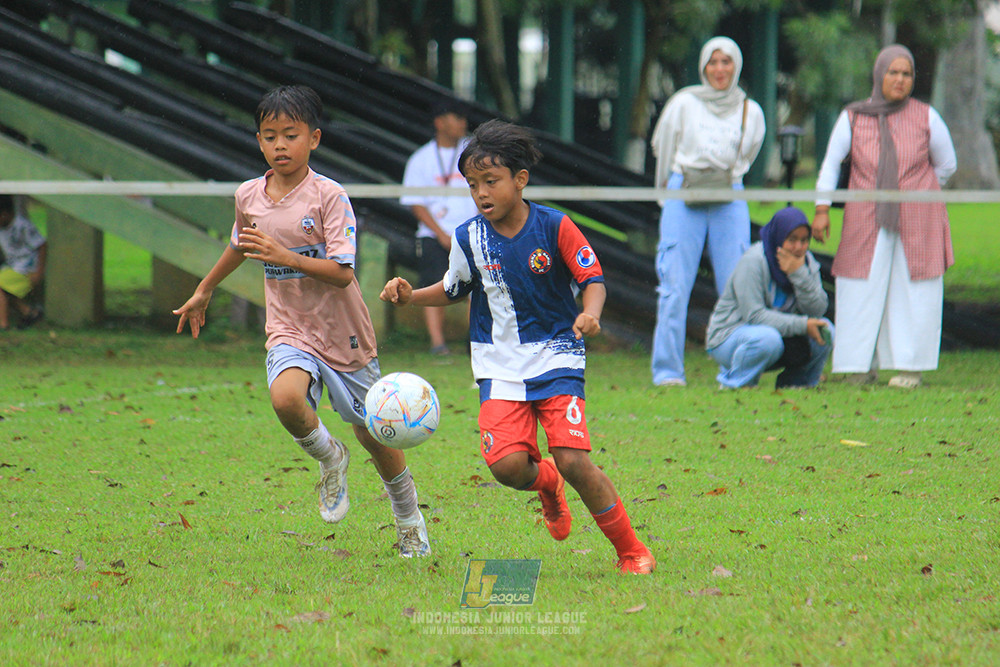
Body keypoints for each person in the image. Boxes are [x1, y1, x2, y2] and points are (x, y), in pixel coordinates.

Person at [380, 120, 655, 575]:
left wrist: (591, 313)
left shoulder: (555, 226)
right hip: (499, 365)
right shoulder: (468, 237)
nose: (481, 193)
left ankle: (631, 550)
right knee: (508, 468)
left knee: (573, 460)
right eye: (473, 185)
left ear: (520, 180)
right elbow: (453, 288)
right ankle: (546, 483)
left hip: (556, 356)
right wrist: (412, 295)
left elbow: (593, 279)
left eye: (491, 181)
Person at [173, 85, 430, 557]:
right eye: (269, 136)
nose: (279, 146)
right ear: (258, 141)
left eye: (290, 135)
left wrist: (284, 254)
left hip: (343, 329)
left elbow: (341, 272)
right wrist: (204, 288)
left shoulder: (329, 196)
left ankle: (409, 517)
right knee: (286, 398)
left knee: (372, 432)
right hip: (290, 327)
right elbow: (238, 245)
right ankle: (330, 459)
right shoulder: (249, 195)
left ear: (313, 138)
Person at [812, 44, 957, 388]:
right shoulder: (853, 116)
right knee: (858, 284)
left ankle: (910, 368)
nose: (900, 80)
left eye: (906, 74)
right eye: (893, 72)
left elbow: (947, 164)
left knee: (915, 287)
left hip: (918, 218)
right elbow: (831, 164)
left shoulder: (926, 116)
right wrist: (821, 209)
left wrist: (918, 192)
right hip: (866, 215)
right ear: (879, 75)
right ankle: (859, 366)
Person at [649, 36, 766, 387]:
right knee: (673, 286)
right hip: (683, 193)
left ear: (737, 66)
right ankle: (668, 372)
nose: (719, 69)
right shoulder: (684, 103)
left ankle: (737, 366)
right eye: (713, 62)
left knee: (738, 286)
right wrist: (666, 193)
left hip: (729, 197)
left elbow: (749, 154)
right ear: (703, 66)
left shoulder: (751, 109)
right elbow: (663, 147)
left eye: (726, 62)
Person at [706, 207, 833, 389]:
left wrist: (799, 274)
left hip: (776, 336)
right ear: (779, 237)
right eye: (792, 240)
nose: (799, 247)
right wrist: (802, 325)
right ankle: (737, 385)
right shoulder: (753, 261)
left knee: (826, 331)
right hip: (729, 337)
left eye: (804, 240)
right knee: (767, 339)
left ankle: (797, 384)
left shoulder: (807, 262)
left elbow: (818, 310)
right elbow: (754, 316)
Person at [399, 100, 479, 356]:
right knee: (435, 285)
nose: (463, 123)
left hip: (471, 232)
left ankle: (475, 341)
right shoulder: (421, 158)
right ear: (439, 122)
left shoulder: (475, 152)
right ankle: (438, 344)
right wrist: (441, 234)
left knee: (477, 286)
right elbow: (415, 203)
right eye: (456, 117)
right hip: (434, 236)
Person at [0, 195, 46, 331]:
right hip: (11, 267)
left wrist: (39, 272)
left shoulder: (22, 225)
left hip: (25, 268)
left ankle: (3, 324)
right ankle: (29, 312)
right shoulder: (3, 228)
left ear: (5, 214)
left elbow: (42, 244)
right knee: (7, 291)